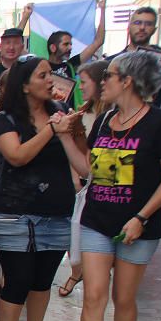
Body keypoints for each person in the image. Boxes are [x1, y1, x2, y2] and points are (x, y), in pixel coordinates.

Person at [70, 51, 161, 321]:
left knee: (123, 298)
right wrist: (64, 138)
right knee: (94, 295)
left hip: (138, 226)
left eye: (110, 76)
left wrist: (142, 216)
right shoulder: (104, 122)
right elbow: (89, 170)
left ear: (127, 81)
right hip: (97, 220)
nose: (104, 82)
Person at [0, 56, 88, 321]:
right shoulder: (4, 118)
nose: (52, 80)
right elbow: (17, 156)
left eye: (52, 74)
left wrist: (73, 131)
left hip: (56, 210)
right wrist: (51, 129)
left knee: (42, 280)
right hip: (14, 212)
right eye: (43, 75)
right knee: (16, 281)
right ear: (24, 84)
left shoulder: (60, 113)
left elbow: (81, 161)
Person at [58, 59, 110, 298]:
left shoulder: (110, 116)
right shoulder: (83, 114)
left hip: (107, 196)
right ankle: (76, 272)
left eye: (84, 81)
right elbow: (81, 158)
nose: (79, 86)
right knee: (76, 235)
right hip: (80, 185)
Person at [21, 0, 107, 109]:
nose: (70, 47)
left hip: (69, 118)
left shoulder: (72, 64)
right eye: (66, 44)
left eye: (71, 44)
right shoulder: (39, 66)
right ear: (53, 47)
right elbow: (17, 45)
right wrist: (25, 17)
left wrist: (102, 10)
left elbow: (98, 41)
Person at [107, 7, 161, 116]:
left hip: (150, 126)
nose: (142, 27)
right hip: (116, 124)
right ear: (129, 26)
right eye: (137, 22)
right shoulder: (111, 62)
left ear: (154, 29)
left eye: (148, 24)